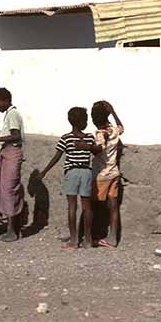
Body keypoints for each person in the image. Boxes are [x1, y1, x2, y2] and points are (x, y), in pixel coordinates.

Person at [37, 107, 102, 250]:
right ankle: (88, 240)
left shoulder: (65, 138)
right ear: (82, 122)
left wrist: (44, 171)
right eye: (85, 120)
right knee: (87, 207)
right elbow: (98, 151)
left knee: (72, 206)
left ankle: (74, 240)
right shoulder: (90, 137)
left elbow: (57, 157)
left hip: (71, 172)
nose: (87, 122)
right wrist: (87, 147)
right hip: (86, 172)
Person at [0, 87, 25, 242]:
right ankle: (12, 228)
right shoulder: (9, 115)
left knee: (9, 191)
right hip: (7, 154)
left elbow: (15, 135)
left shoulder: (13, 114)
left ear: (5, 100)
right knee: (5, 190)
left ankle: (12, 231)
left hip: (12, 153)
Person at [91, 100, 124, 247]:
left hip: (101, 175)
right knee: (113, 206)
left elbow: (99, 149)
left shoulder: (100, 134)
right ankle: (113, 238)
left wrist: (86, 147)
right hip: (114, 173)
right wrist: (113, 111)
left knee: (95, 207)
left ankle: (94, 236)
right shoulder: (114, 131)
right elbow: (121, 127)